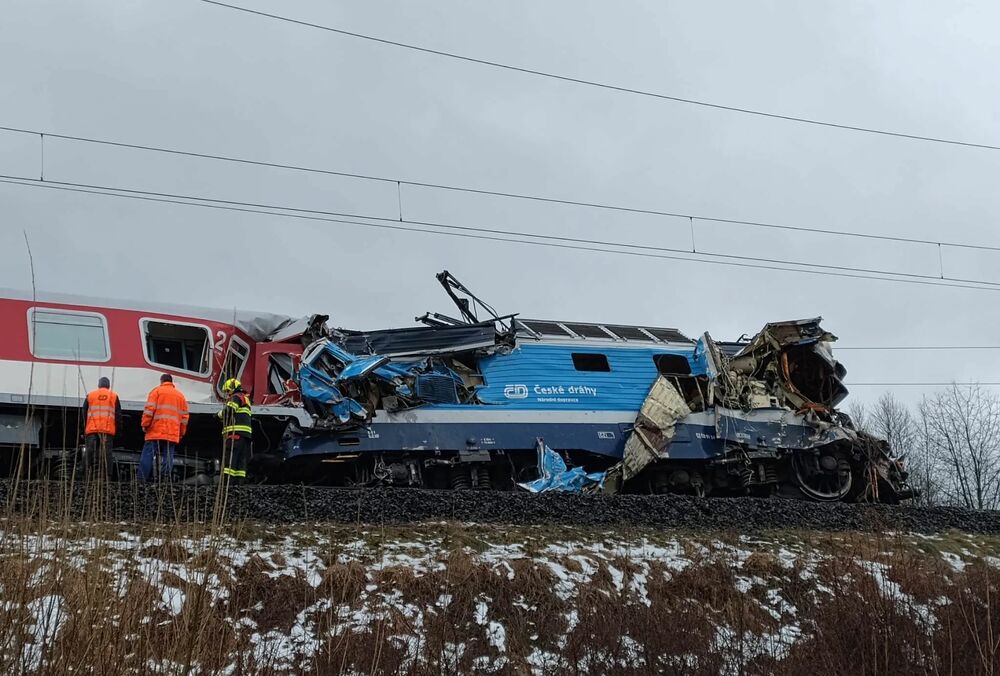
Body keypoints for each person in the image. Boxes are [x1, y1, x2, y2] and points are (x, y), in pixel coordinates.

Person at [139, 374, 189, 482]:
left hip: (155, 430)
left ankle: (142, 479)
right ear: (171, 382)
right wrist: (181, 433)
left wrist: (145, 425)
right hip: (172, 432)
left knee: (148, 454)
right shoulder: (180, 396)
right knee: (168, 455)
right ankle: (165, 480)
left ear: (161, 381)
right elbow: (184, 418)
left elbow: (149, 411)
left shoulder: (156, 392)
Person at [83, 376, 121, 479]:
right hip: (107, 430)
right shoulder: (114, 396)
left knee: (89, 451)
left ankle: (86, 474)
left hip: (92, 429)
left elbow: (84, 412)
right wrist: (118, 431)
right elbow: (118, 416)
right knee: (106, 453)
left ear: (99, 385)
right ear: (108, 386)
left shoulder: (90, 395)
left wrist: (83, 429)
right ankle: (107, 476)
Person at [218, 378, 252, 485]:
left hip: (235, 434)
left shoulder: (235, 397)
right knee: (241, 462)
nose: (228, 394)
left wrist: (218, 414)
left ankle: (227, 484)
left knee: (230, 460)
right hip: (245, 436)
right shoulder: (246, 399)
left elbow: (229, 411)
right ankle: (239, 485)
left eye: (228, 391)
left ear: (232, 389)